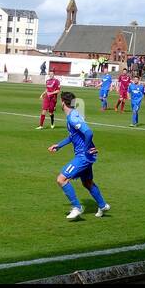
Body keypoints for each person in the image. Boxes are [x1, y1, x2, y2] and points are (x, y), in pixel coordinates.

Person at [48, 92, 109, 220]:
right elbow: (73, 136)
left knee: (61, 179)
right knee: (87, 183)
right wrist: (59, 145)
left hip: (83, 156)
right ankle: (102, 205)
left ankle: (77, 207)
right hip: (87, 155)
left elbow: (88, 132)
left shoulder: (72, 117)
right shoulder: (75, 114)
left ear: (63, 102)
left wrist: (86, 150)